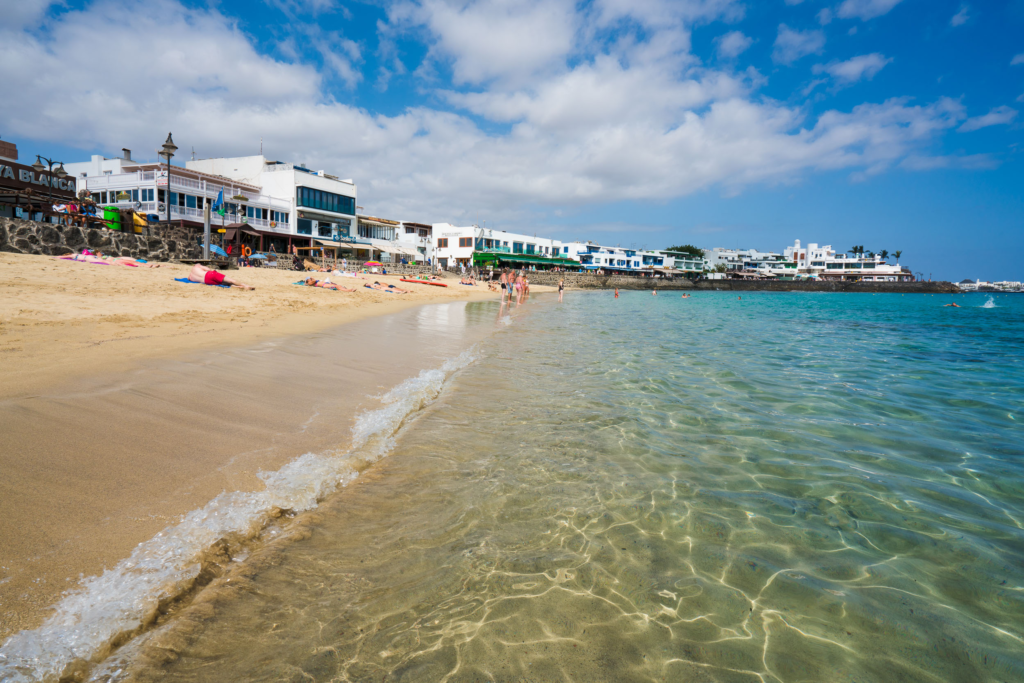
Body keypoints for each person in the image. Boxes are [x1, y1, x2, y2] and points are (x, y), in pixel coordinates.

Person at [188, 263, 254, 289]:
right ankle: (246, 286)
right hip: (209, 274)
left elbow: (188, 278)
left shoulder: (190, 276)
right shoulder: (197, 266)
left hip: (206, 281)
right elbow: (208, 269)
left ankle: (238, 287)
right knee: (231, 280)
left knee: (225, 284)